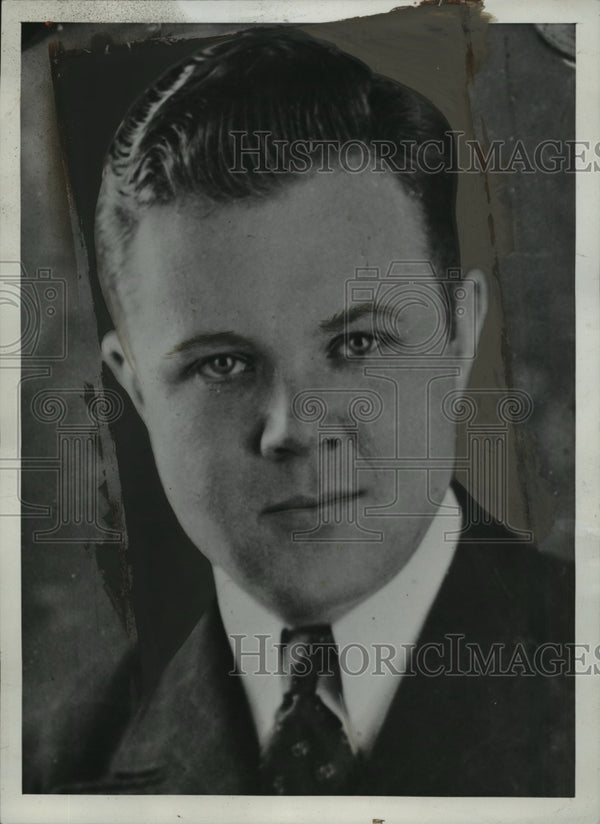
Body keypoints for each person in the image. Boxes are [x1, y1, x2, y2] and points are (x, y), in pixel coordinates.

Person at [63, 27, 573, 795]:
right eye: (222, 364)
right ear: (133, 391)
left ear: (458, 334)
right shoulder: (64, 763)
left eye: (358, 343)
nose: (294, 427)